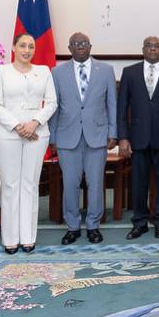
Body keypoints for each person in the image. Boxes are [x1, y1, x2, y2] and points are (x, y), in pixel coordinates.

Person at [0, 33, 57, 254]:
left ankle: (28, 237)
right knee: (10, 185)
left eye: (31, 46)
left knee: (30, 184)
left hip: (37, 134)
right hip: (7, 134)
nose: (27, 50)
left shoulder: (43, 71)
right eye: (23, 46)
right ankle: (10, 239)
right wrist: (19, 126)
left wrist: (34, 123)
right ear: (14, 47)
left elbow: (52, 103)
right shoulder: (0, 72)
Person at [49, 33, 117, 245]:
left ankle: (93, 226)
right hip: (66, 137)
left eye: (84, 43)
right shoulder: (57, 72)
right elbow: (54, 106)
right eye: (76, 44)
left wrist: (112, 132)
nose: (80, 46)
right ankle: (73, 226)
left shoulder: (105, 70)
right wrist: (52, 136)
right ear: (69, 48)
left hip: (97, 136)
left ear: (90, 46)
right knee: (70, 184)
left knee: (96, 183)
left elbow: (112, 103)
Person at [118, 36, 159, 240]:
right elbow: (122, 108)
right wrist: (123, 137)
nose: (153, 49)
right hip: (137, 138)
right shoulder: (129, 72)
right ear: (142, 49)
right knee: (138, 183)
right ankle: (140, 222)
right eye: (149, 46)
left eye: (157, 46)